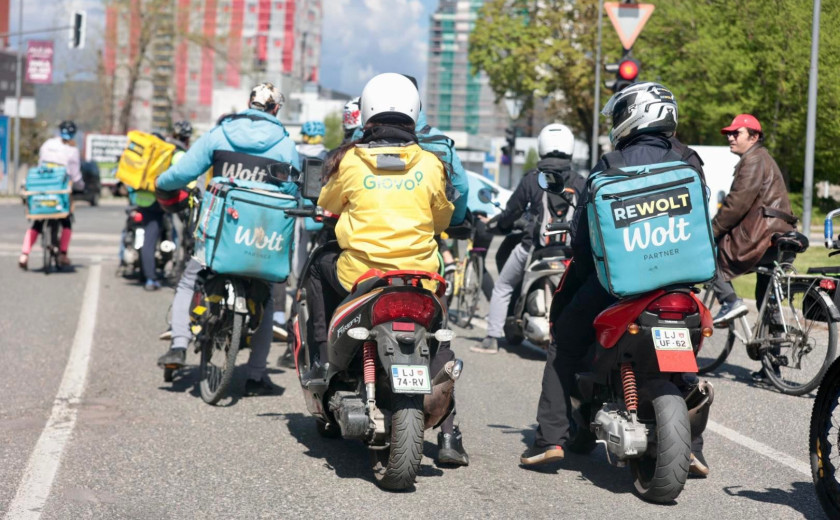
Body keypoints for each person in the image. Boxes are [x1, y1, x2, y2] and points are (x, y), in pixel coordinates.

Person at [519, 83, 711, 477]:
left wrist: (580, 273)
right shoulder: (689, 160)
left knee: (563, 341)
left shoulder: (610, 164)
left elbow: (583, 238)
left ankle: (550, 439)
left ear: (633, 116)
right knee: (684, 362)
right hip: (678, 288)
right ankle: (693, 448)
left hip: (619, 286)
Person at [306, 72, 468, 465]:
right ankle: (449, 426)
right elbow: (443, 219)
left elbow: (326, 204)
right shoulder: (431, 163)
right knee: (439, 336)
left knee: (317, 266)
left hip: (361, 275)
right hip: (420, 277)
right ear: (414, 111)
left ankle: (323, 356)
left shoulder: (350, 160)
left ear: (366, 112)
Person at [154, 82, 300, 396]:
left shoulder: (221, 134)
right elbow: (294, 191)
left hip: (218, 237)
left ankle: (178, 345)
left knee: (189, 280)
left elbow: (183, 172)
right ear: (276, 109)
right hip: (260, 241)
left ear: (249, 103)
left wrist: (161, 184)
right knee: (265, 293)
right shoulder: (285, 145)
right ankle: (256, 375)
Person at [472, 123, 584, 354]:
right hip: (570, 252)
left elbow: (512, 211)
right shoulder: (580, 181)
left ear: (541, 146)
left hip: (533, 248)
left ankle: (491, 338)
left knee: (503, 286)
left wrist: (498, 225)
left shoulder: (532, 179)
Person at [710, 114, 796, 380]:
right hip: (778, 236)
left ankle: (729, 301)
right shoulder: (760, 158)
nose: (730, 137)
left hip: (762, 236)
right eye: (729, 133)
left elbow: (737, 203)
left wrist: (712, 230)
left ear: (754, 136)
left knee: (708, 258)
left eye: (736, 133)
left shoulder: (754, 160)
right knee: (768, 301)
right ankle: (772, 366)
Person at [19, 120, 83, 270]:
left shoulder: (47, 144)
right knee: (66, 221)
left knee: (37, 223)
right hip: (59, 191)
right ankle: (63, 253)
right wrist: (81, 187)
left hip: (41, 188)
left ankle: (24, 254)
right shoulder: (72, 151)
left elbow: (40, 165)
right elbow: (76, 176)